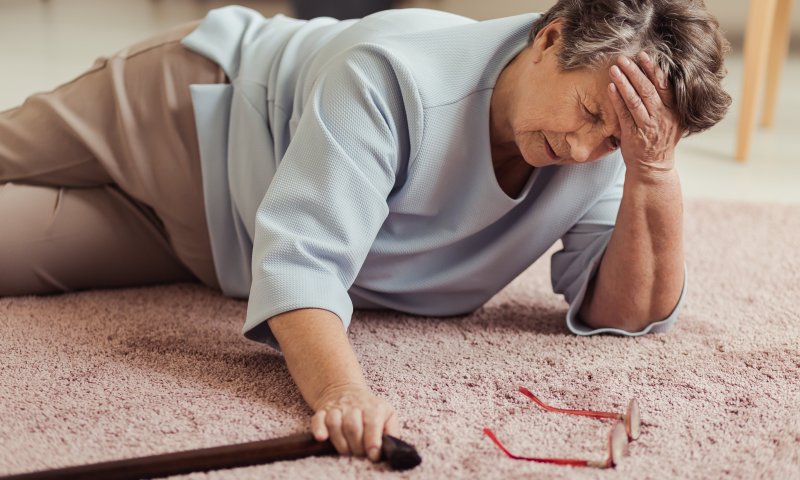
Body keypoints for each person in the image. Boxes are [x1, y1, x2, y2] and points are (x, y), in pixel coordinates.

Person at [0, 0, 730, 464]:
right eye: (588, 113)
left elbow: (624, 312)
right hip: (183, 117)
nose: (581, 148)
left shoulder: (612, 156)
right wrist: (342, 393)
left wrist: (652, 172)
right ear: (550, 38)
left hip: (213, 246)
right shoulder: (393, 76)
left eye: (616, 138)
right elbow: (302, 262)